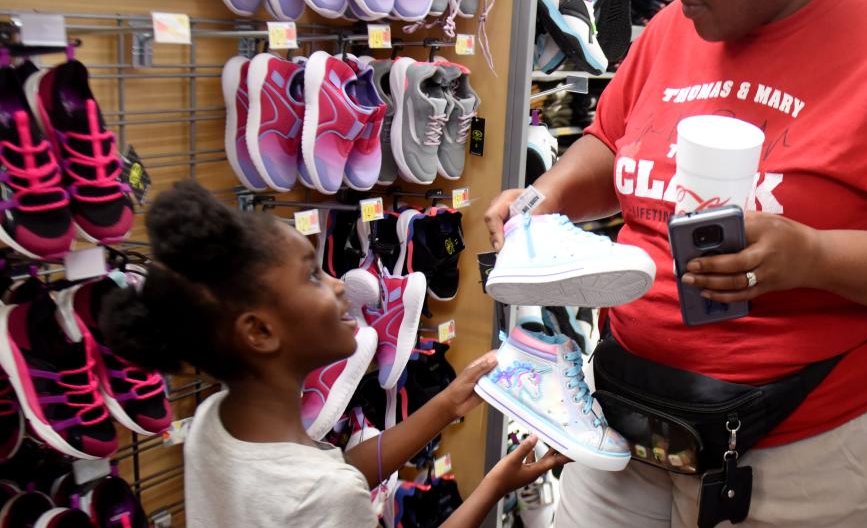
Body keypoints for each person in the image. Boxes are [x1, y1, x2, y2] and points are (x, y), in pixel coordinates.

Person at [485, 0, 867, 527]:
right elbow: (613, 139)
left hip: (812, 439)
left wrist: (813, 256)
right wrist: (550, 196)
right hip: (629, 413)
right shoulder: (676, 27)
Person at [102, 180, 565, 528]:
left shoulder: (215, 421)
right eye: (311, 276)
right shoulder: (324, 495)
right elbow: (326, 490)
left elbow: (327, 475)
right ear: (260, 332)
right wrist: (494, 486)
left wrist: (445, 405)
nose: (339, 283)